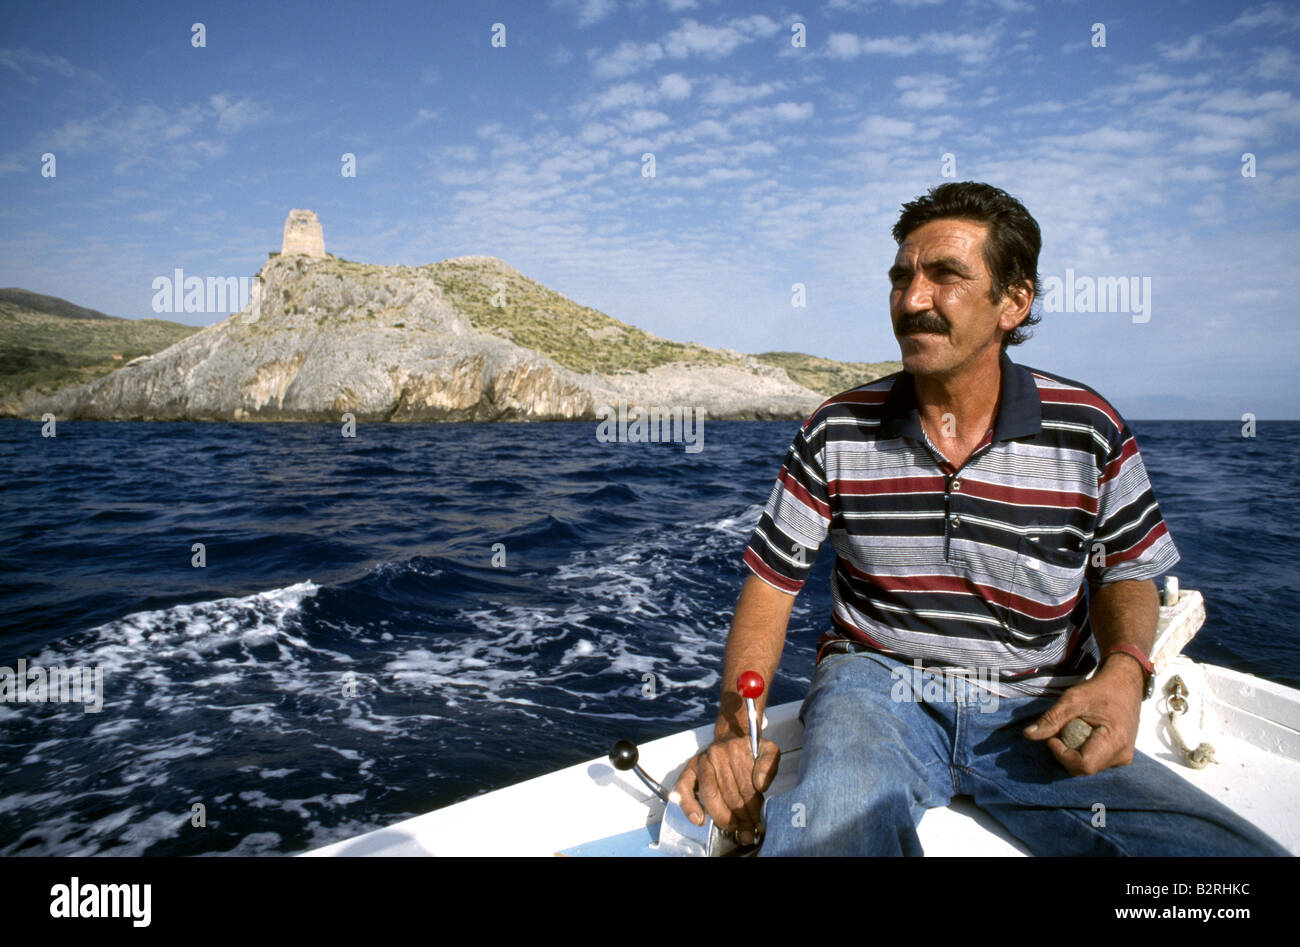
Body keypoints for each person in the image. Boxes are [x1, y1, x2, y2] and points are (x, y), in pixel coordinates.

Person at [672, 181, 1289, 856]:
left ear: (1014, 302)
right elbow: (770, 588)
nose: (912, 300)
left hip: (1038, 703)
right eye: (902, 277)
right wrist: (736, 734)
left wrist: (1123, 671)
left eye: (946, 277)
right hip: (874, 691)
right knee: (829, 832)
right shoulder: (835, 429)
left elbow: (1128, 571)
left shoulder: (1089, 428)